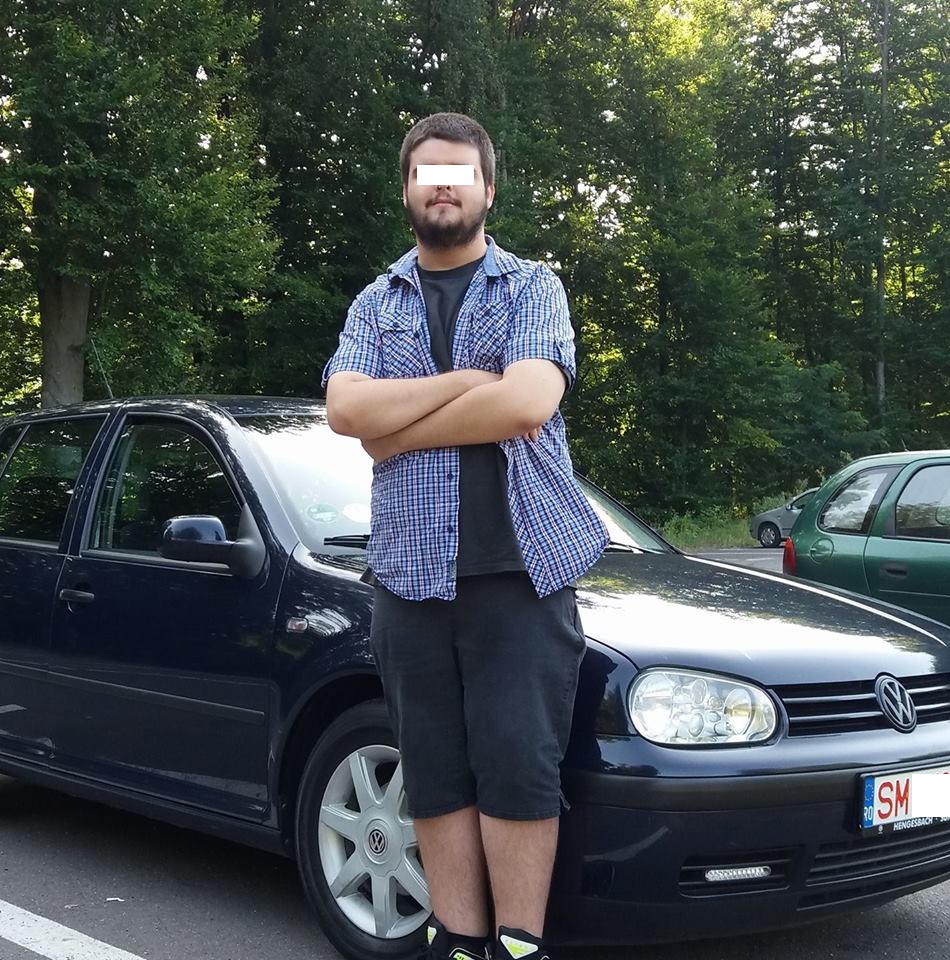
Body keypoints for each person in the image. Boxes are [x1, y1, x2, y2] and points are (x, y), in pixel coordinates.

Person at [321, 112, 608, 960]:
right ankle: (457, 942)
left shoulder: (531, 287)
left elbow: (526, 403)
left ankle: (518, 947)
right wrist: (462, 384)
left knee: (520, 769)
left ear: (487, 188)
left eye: (458, 173)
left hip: (522, 573)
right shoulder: (376, 301)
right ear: (407, 190)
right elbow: (346, 410)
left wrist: (397, 431)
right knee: (434, 772)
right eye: (427, 173)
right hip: (408, 577)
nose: (442, 187)